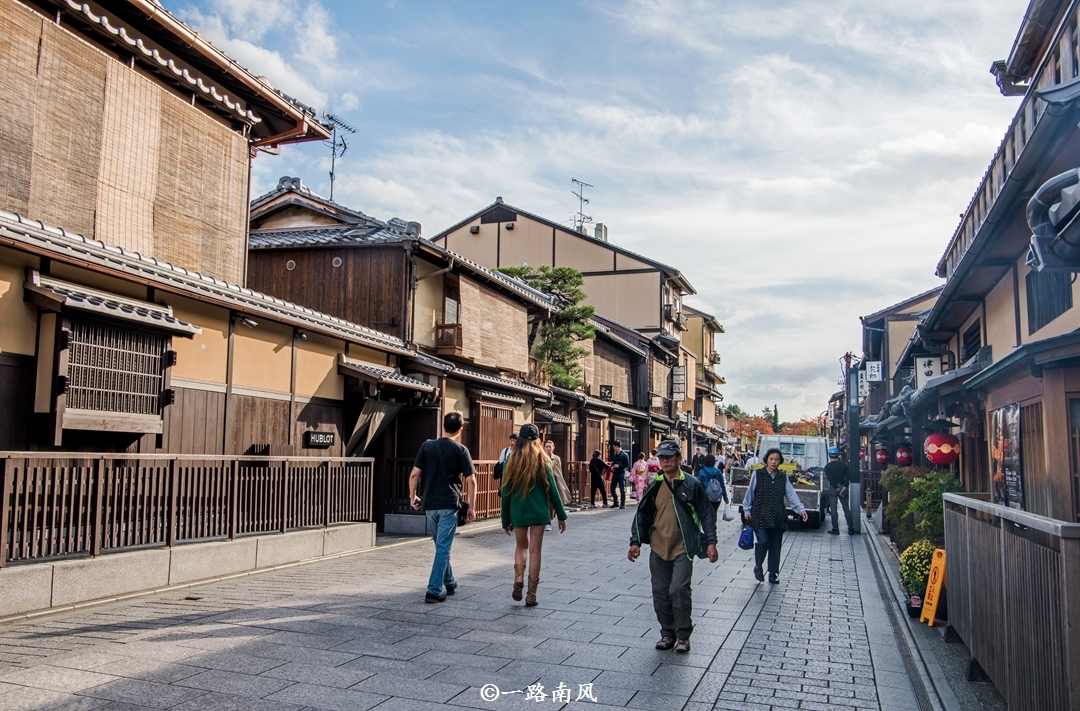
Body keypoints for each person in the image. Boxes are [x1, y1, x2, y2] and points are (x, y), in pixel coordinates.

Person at [628, 440, 718, 654]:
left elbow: (707, 514)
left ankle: (683, 636)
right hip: (659, 547)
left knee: (678, 589)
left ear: (679, 458)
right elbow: (642, 514)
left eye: (670, 457)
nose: (666, 461)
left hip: (683, 548)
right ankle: (667, 633)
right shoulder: (655, 485)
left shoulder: (692, 484)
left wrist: (711, 542)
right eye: (662, 457)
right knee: (660, 592)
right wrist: (635, 542)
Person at [409, 411, 477, 603]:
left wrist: (412, 495)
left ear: (443, 426)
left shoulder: (427, 446)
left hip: (430, 504)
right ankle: (433, 590)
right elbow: (471, 479)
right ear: (460, 429)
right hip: (449, 504)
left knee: (440, 546)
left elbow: (414, 474)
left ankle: (449, 580)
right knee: (443, 548)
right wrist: (471, 506)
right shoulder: (461, 450)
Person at [501, 424, 567, 606]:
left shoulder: (511, 460)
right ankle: (531, 595)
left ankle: (518, 578)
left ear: (520, 439)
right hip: (539, 511)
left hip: (518, 510)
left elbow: (505, 492)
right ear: (538, 440)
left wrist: (505, 519)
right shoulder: (544, 460)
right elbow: (553, 491)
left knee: (521, 547)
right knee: (535, 551)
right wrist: (561, 515)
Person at [743, 448, 807, 585]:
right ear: (766, 460)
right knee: (763, 541)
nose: (773, 462)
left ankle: (773, 572)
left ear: (780, 462)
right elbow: (750, 493)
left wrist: (801, 510)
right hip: (760, 513)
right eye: (771, 459)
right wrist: (747, 510)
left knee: (776, 544)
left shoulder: (782, 477)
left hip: (778, 514)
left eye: (776, 459)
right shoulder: (758, 474)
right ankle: (758, 566)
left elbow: (791, 495)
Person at [544, 439, 572, 530]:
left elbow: (559, 471)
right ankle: (547, 523)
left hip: (553, 481)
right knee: (545, 502)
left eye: (550, 446)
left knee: (553, 502)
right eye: (546, 446)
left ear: (553, 448)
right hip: (544, 482)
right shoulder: (542, 457)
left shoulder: (556, 458)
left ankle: (551, 518)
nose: (548, 448)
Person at [823, 446, 853, 535]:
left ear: (829, 455)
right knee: (846, 509)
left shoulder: (828, 467)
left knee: (833, 509)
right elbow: (848, 477)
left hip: (833, 488)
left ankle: (835, 529)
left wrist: (836, 487)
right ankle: (850, 528)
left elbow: (830, 479)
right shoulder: (844, 466)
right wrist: (845, 486)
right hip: (843, 487)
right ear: (838, 455)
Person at [609, 441, 631, 509]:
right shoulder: (615, 454)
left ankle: (622, 504)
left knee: (622, 489)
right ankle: (616, 502)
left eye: (613, 447)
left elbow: (627, 464)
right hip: (615, 473)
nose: (613, 448)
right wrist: (612, 466)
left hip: (621, 473)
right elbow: (613, 462)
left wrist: (619, 465)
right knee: (612, 488)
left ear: (616, 446)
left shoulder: (624, 454)